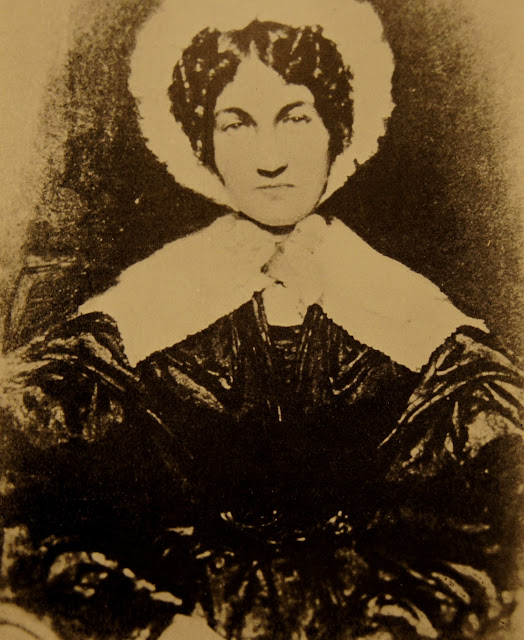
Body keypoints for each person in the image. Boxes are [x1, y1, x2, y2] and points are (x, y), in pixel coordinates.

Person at [0, 14, 523, 640]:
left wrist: (396, 626)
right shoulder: (137, 310)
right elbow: (30, 512)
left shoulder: (421, 319)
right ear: (203, 143)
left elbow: (486, 535)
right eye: (236, 124)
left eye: (295, 118)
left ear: (337, 130)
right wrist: (153, 623)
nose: (271, 159)